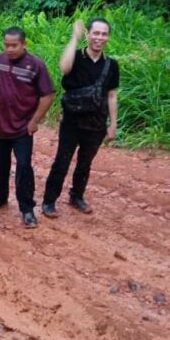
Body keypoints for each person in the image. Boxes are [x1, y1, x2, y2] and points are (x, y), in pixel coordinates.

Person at [0, 27, 55, 228]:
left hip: (22, 128)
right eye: (7, 45)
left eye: (14, 45)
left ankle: (27, 209)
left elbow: (48, 95)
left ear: (24, 44)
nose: (10, 49)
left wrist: (35, 120)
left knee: (23, 167)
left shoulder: (36, 65)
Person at [42, 18, 119, 218]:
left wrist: (113, 124)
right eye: (96, 33)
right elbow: (64, 68)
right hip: (72, 121)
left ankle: (77, 196)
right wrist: (74, 39)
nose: (99, 38)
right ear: (88, 34)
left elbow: (111, 95)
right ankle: (49, 201)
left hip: (96, 123)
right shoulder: (75, 56)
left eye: (104, 34)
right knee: (62, 160)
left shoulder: (111, 65)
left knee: (85, 162)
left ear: (108, 37)